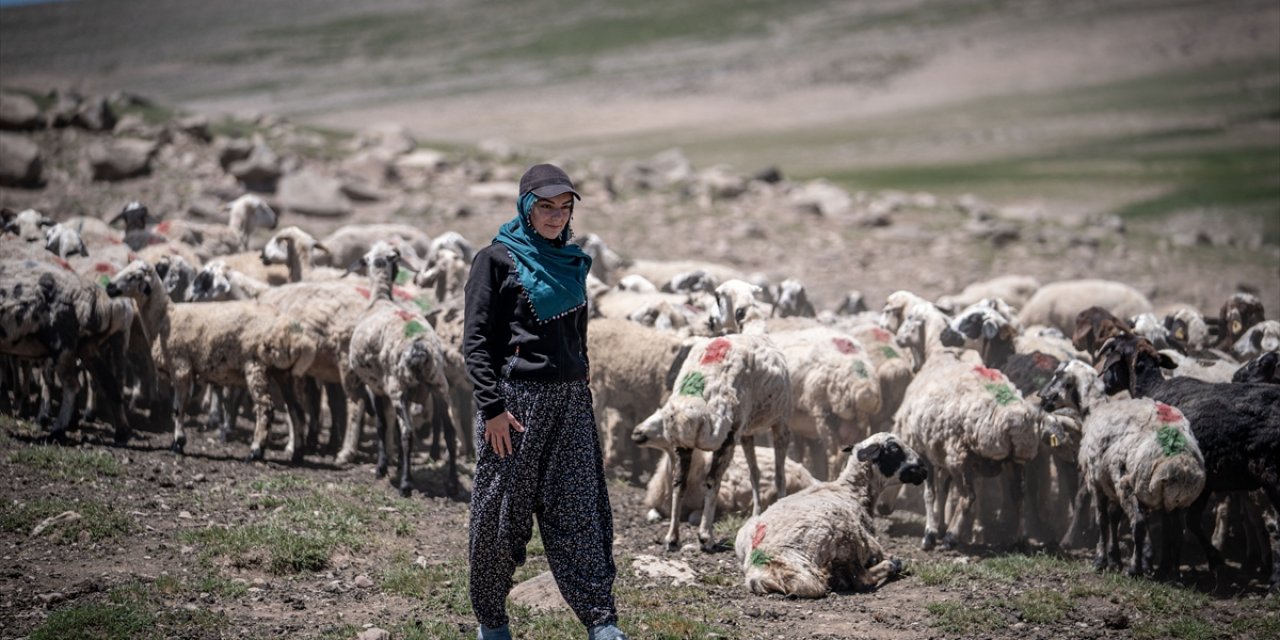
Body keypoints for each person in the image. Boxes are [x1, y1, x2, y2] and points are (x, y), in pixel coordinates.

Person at [463, 163, 629, 640]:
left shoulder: (572, 260)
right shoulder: (494, 260)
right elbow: (475, 341)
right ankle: (492, 623)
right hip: (515, 406)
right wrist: (492, 408)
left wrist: (582, 381)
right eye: (546, 207)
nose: (556, 216)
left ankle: (602, 621)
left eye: (564, 207)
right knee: (500, 515)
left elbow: (577, 334)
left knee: (581, 510)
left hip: (571, 403)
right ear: (526, 207)